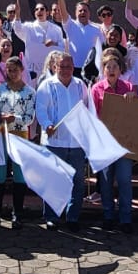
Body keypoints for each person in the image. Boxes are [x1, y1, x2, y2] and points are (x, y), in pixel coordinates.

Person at [34, 51, 90, 231]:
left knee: (78, 181)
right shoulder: (46, 86)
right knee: (53, 181)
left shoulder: (81, 85)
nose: (65, 70)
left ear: (73, 67)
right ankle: (52, 217)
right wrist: (47, 124)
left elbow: (87, 109)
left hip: (76, 143)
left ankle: (72, 216)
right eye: (62, 66)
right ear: (55, 67)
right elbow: (41, 109)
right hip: (54, 142)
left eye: (69, 66)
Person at [91, 53, 138, 232]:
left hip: (123, 143)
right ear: (103, 70)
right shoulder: (96, 89)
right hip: (104, 143)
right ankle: (108, 216)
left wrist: (134, 98)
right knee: (105, 181)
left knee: (125, 179)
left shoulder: (128, 87)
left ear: (120, 71)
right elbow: (93, 114)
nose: (111, 70)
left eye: (114, 67)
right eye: (107, 67)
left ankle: (125, 218)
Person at [0, 57, 37, 231]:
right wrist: (0, 117)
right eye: (9, 70)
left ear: (21, 70)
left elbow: (29, 117)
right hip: (1, 135)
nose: (12, 73)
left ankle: (17, 214)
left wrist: (13, 118)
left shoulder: (30, 92)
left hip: (19, 136)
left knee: (19, 175)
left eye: (15, 70)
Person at [11, 0, 64, 81]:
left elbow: (62, 46)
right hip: (33, 69)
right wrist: (17, 14)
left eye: (42, 9)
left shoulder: (57, 29)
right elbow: (17, 29)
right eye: (36, 9)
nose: (39, 11)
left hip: (51, 69)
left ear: (47, 13)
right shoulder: (29, 27)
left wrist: (53, 43)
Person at [55, 0, 104, 69]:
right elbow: (63, 11)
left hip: (91, 69)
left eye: (85, 11)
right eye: (80, 11)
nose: (82, 12)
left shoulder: (97, 29)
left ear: (89, 13)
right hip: (73, 68)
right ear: (75, 13)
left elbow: (102, 49)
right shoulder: (70, 25)